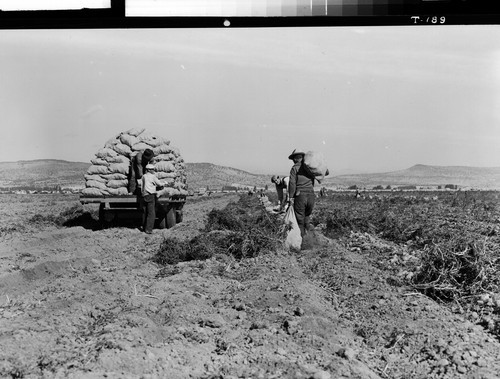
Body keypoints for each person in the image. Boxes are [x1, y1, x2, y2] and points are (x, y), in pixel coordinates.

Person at [287, 149, 316, 237]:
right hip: (311, 194)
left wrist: (291, 197)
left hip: (300, 195)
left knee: (300, 219)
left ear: (295, 159)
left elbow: (292, 183)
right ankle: (311, 237)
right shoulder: (310, 167)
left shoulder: (295, 168)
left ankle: (303, 241)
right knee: (307, 216)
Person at [141, 163, 165, 234]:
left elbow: (142, 186)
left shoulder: (144, 176)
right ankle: (148, 229)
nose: (153, 171)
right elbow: (159, 184)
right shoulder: (153, 177)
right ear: (149, 170)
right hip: (151, 195)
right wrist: (164, 183)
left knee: (145, 212)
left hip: (144, 195)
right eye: (152, 169)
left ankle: (144, 227)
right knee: (151, 213)